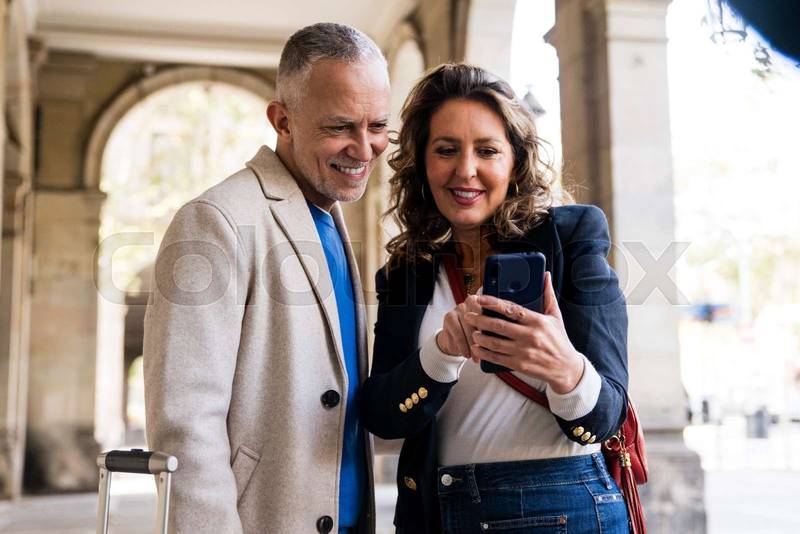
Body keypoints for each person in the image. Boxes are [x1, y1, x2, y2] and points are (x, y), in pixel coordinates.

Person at [360, 63, 630, 533]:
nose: (466, 169)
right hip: (436, 513)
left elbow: (608, 417)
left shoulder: (571, 239)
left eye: (487, 150)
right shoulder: (405, 273)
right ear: (422, 163)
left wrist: (564, 367)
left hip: (563, 507)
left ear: (515, 162)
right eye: (446, 150)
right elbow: (381, 415)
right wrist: (441, 354)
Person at [144, 23, 390, 534]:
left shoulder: (330, 217)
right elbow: (185, 425)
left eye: (378, 126)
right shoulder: (214, 220)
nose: (365, 148)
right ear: (282, 121)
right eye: (340, 126)